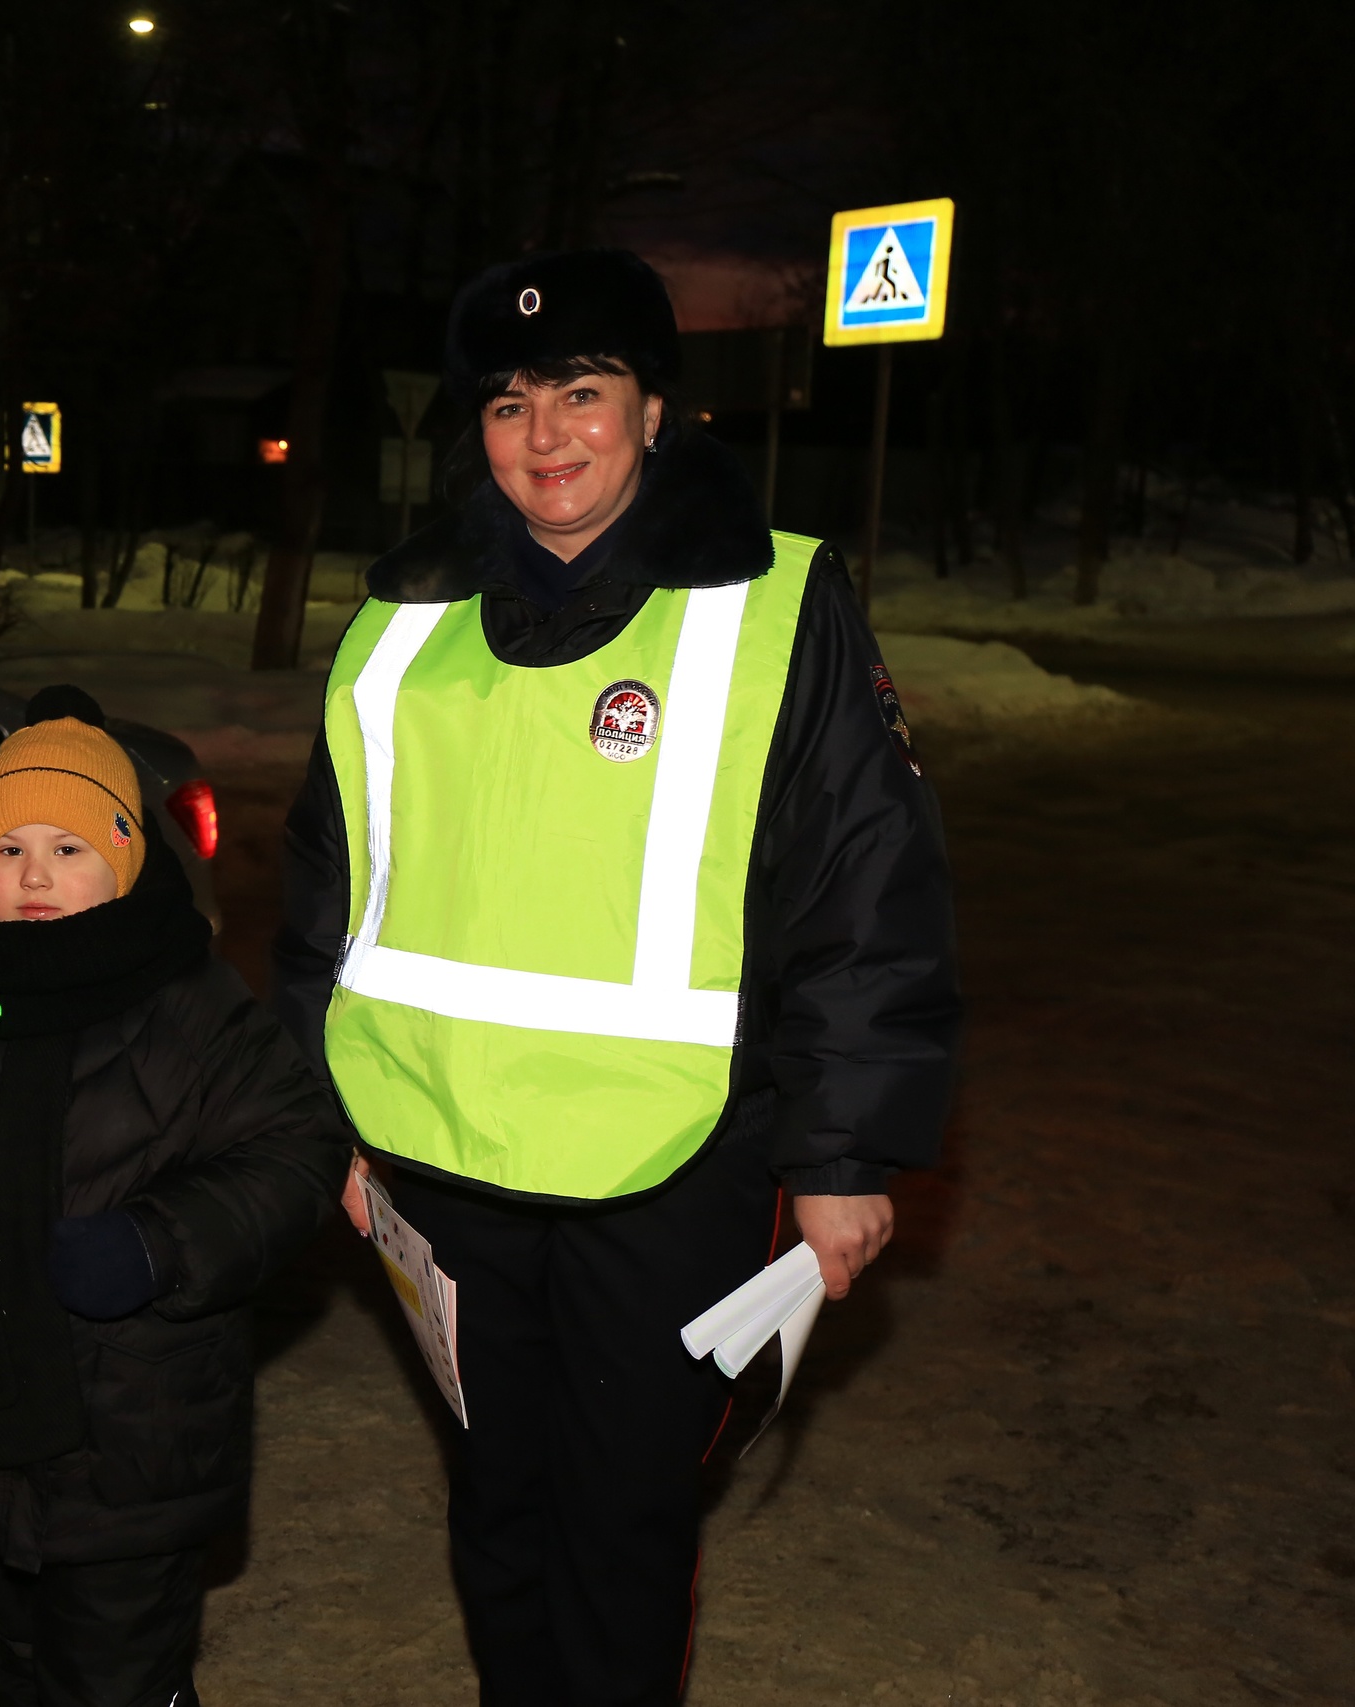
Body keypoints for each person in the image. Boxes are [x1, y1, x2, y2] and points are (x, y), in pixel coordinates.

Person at [273, 250, 962, 1705]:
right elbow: (330, 898)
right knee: (498, 1505)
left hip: (674, 1162)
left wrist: (844, 1151)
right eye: (511, 403)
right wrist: (317, 1118)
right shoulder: (400, 627)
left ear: (655, 408)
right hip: (441, 1156)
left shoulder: (775, 605)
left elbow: (866, 891)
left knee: (626, 1518)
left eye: (582, 392)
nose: (547, 436)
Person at [0, 687, 346, 1707]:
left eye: (69, 847)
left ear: (126, 857)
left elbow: (295, 1149)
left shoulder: (186, 1000)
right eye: (8, 850)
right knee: (15, 1657)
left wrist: (158, 1246)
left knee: (116, 1675)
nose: (34, 875)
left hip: (134, 1429)